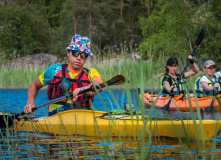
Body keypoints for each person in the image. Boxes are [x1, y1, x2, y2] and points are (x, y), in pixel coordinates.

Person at [24, 34, 103, 116]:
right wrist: (31, 102)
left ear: (87, 57)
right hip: (57, 116)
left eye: (83, 55)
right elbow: (34, 85)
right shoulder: (54, 70)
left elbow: (98, 85)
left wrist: (84, 89)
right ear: (68, 52)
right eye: (75, 53)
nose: (79, 58)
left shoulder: (91, 72)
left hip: (83, 115)